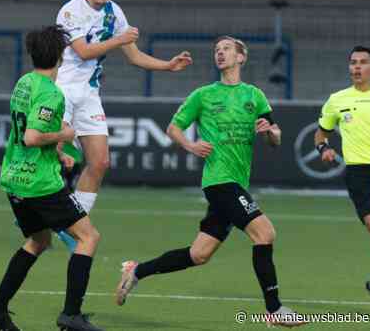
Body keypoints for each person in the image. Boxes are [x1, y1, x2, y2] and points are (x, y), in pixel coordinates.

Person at [114, 36, 306, 327]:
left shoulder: (254, 96)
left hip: (237, 182)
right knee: (264, 233)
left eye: (227, 49)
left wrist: (270, 132)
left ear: (241, 57)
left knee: (199, 254)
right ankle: (275, 309)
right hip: (219, 181)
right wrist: (191, 147)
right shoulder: (203, 95)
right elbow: (173, 128)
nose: (220, 53)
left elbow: (275, 137)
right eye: (217, 50)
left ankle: (137, 271)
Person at [55, 0, 192, 228]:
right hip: (62, 90)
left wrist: (168, 65)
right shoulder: (71, 10)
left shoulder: (114, 12)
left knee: (100, 162)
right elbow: (82, 52)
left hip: (90, 95)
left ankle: (70, 224)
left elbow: (134, 55)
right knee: (53, 155)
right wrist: (118, 39)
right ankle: (32, 209)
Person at [0, 25, 104, 331]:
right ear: (61, 56)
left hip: (14, 178)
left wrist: (58, 151)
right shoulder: (51, 92)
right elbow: (33, 136)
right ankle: (71, 315)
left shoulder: (24, 82)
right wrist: (64, 134)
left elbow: (24, 132)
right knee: (88, 238)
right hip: (40, 183)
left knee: (38, 240)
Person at [314, 46, 370, 297]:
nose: (357, 67)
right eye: (353, 62)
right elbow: (321, 132)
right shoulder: (337, 100)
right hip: (357, 171)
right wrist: (323, 148)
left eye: (362, 62)